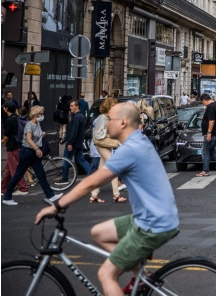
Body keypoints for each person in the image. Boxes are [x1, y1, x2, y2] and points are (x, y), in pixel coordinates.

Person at [34, 102, 179, 296]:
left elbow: (90, 183)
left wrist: (57, 205)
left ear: (123, 122)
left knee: (106, 274)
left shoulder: (131, 149)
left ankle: (138, 273)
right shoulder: (138, 141)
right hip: (152, 217)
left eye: (110, 119)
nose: (106, 124)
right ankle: (142, 275)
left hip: (153, 224)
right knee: (98, 232)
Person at [3, 106, 62, 205]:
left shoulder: (37, 123)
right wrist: (37, 149)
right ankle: (7, 197)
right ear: (35, 114)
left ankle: (50, 195)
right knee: (18, 174)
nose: (42, 116)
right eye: (41, 114)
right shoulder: (29, 125)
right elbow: (29, 139)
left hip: (32, 152)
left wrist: (41, 135)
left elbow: (35, 136)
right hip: (27, 152)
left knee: (41, 174)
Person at [90, 97, 125, 203]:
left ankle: (94, 195)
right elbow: (98, 134)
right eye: (113, 105)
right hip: (101, 144)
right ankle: (116, 195)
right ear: (108, 106)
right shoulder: (102, 118)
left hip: (107, 144)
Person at [61, 100, 92, 184]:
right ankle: (92, 175)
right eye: (70, 106)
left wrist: (70, 142)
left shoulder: (77, 117)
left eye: (72, 106)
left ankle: (64, 178)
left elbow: (74, 131)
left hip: (74, 143)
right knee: (81, 160)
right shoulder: (79, 116)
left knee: (66, 160)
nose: (70, 108)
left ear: (77, 107)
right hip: (78, 142)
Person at [196, 94, 216, 177]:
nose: (203, 104)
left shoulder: (210, 107)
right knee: (212, 150)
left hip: (212, 134)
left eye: (202, 102)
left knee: (205, 151)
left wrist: (209, 133)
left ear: (204, 100)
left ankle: (205, 170)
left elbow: (212, 120)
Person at [1, 102, 29, 196]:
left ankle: (23, 188)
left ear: (6, 109)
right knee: (8, 169)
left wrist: (4, 144)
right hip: (17, 144)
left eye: (4, 108)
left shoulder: (9, 120)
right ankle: (3, 188)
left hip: (12, 147)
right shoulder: (17, 118)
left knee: (14, 169)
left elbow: (6, 136)